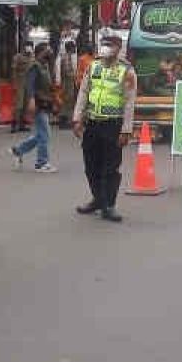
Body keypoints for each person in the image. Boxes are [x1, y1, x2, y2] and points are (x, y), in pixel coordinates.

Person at [72, 34, 137, 223]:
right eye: (104, 44)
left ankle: (109, 205)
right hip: (92, 123)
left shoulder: (126, 70)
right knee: (91, 166)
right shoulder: (93, 66)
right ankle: (98, 199)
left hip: (113, 124)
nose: (106, 48)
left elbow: (129, 102)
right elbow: (84, 92)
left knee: (110, 167)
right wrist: (77, 119)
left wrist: (126, 130)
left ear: (118, 48)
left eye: (110, 45)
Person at [9, 42, 57, 173]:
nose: (49, 52)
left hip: (45, 102)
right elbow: (29, 84)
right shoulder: (34, 66)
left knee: (41, 134)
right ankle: (41, 163)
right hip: (38, 103)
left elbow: (50, 83)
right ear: (40, 52)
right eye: (47, 50)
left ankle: (18, 150)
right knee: (45, 134)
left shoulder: (44, 66)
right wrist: (30, 100)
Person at [10, 43, 34, 133]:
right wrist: (14, 83)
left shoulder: (32, 57)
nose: (29, 48)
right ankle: (14, 124)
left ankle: (22, 124)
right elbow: (14, 70)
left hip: (28, 83)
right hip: (20, 82)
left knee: (25, 104)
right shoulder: (18, 57)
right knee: (18, 104)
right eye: (27, 46)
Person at [58, 40, 78, 129]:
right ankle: (64, 121)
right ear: (70, 48)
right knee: (67, 101)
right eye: (74, 47)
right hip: (67, 82)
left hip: (68, 82)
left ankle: (65, 120)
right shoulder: (66, 58)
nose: (75, 49)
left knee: (68, 100)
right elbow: (66, 71)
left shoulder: (67, 57)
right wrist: (74, 76)